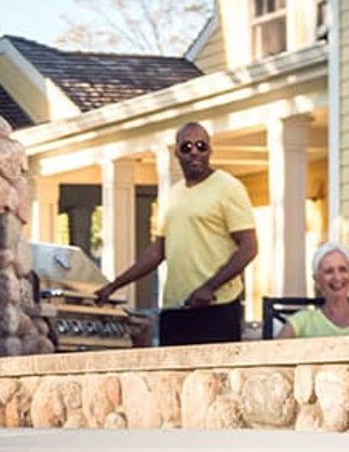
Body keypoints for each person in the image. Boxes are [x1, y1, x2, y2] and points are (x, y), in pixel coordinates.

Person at [95, 122, 258, 346]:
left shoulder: (228, 187)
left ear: (210, 150)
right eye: (186, 147)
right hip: (175, 306)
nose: (194, 152)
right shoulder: (172, 195)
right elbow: (156, 252)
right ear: (177, 153)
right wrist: (114, 286)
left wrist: (210, 287)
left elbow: (249, 247)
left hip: (216, 306)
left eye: (201, 146)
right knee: (172, 369)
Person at [278, 242, 349, 338]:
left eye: (343, 270)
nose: (337, 277)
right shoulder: (302, 322)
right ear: (317, 281)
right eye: (329, 271)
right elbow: (275, 347)